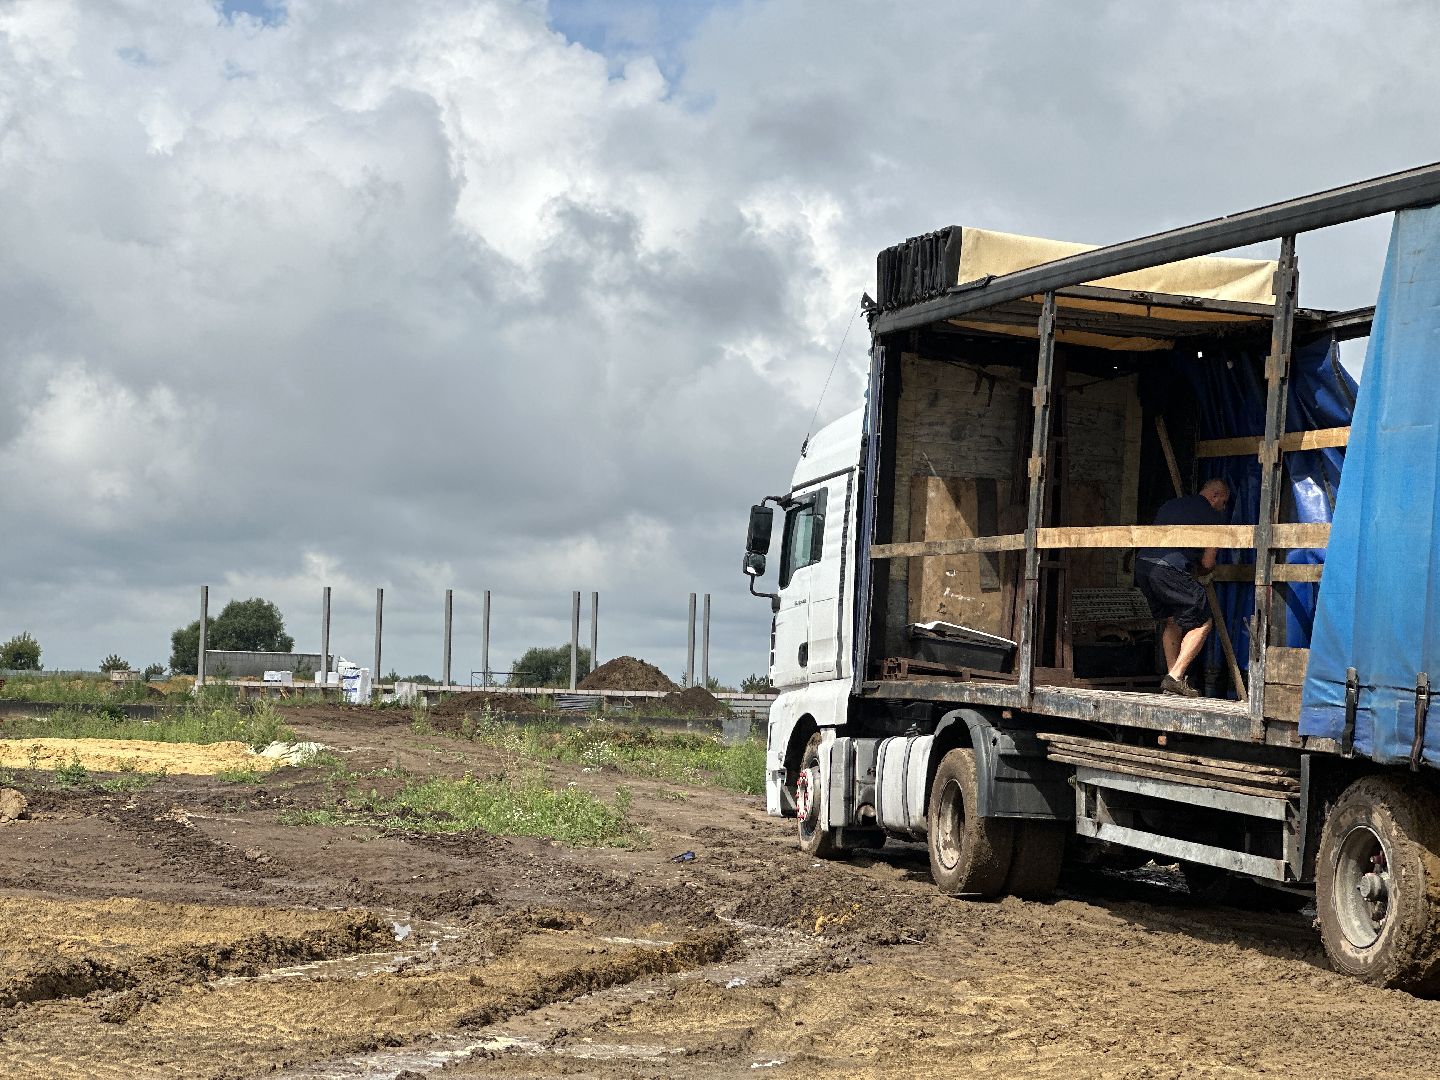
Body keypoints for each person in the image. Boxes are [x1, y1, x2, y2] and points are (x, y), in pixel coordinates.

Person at [1134, 478, 1231, 697]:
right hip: (1169, 569)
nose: (1223, 508)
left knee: (1172, 620)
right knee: (1203, 622)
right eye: (1223, 502)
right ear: (1215, 496)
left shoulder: (1170, 504)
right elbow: (1207, 564)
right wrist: (1205, 572)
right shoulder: (1214, 518)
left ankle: (1172, 681)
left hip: (1143, 566)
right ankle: (1176, 676)